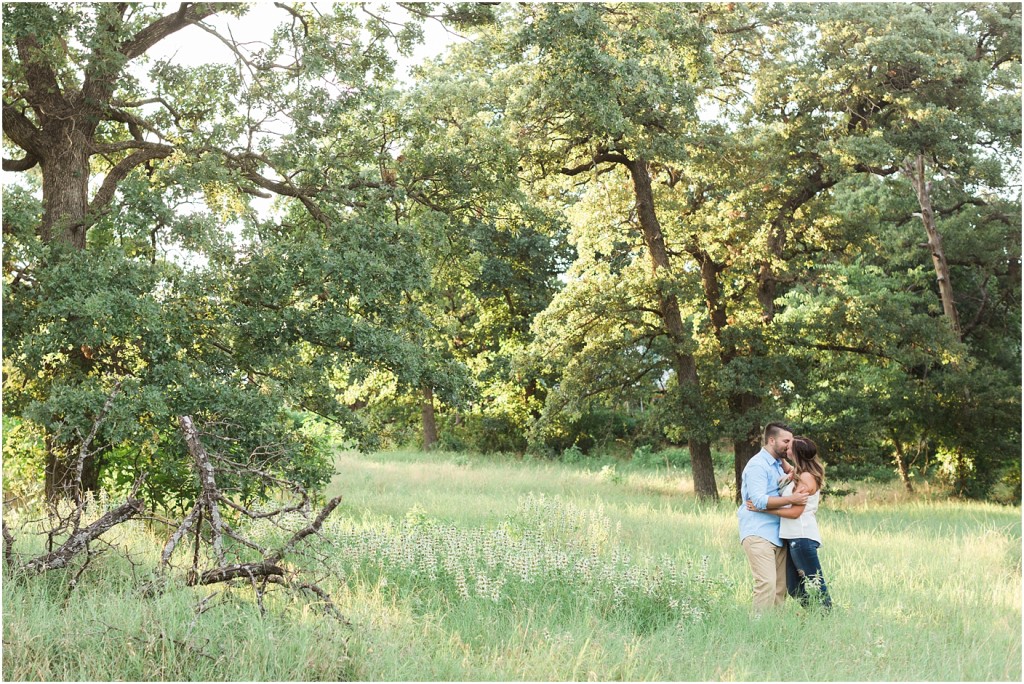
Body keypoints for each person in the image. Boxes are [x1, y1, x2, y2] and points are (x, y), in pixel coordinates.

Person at [747, 435, 832, 610]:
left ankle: (826, 616)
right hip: (792, 537)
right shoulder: (799, 473)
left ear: (797, 453)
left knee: (816, 583)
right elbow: (785, 464)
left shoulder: (806, 478)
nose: (787, 448)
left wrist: (763, 508)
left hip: (802, 537)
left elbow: (795, 513)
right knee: (793, 587)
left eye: (790, 446)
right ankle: (817, 614)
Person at [737, 422, 808, 612]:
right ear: (771, 440)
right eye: (786, 441)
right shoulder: (757, 465)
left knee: (780, 588)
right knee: (766, 584)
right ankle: (757, 629)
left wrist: (787, 464)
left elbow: (795, 472)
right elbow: (758, 500)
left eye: (791, 441)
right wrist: (792, 498)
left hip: (778, 533)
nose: (790, 445)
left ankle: (773, 629)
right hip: (758, 532)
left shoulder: (778, 464)